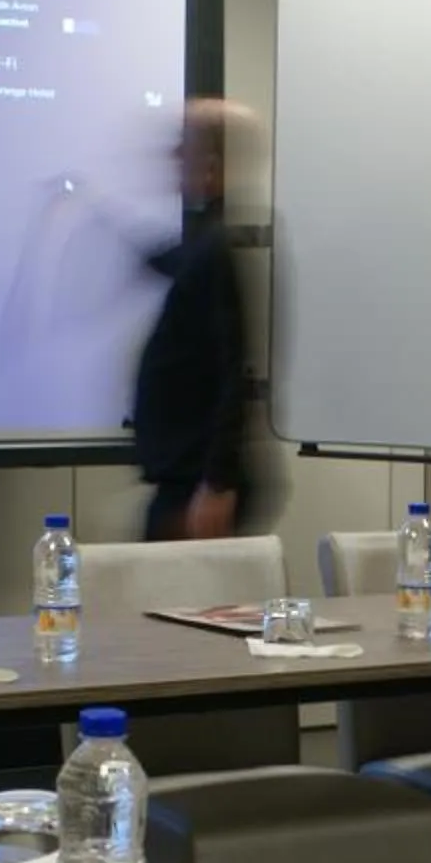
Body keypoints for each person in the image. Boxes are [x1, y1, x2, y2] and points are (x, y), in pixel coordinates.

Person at [131, 99, 260, 540]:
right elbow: (170, 261)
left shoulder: (222, 247)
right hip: (187, 477)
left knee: (171, 606)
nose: (172, 157)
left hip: (199, 487)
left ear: (210, 165)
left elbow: (236, 368)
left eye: (182, 146)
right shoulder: (211, 238)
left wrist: (217, 484)